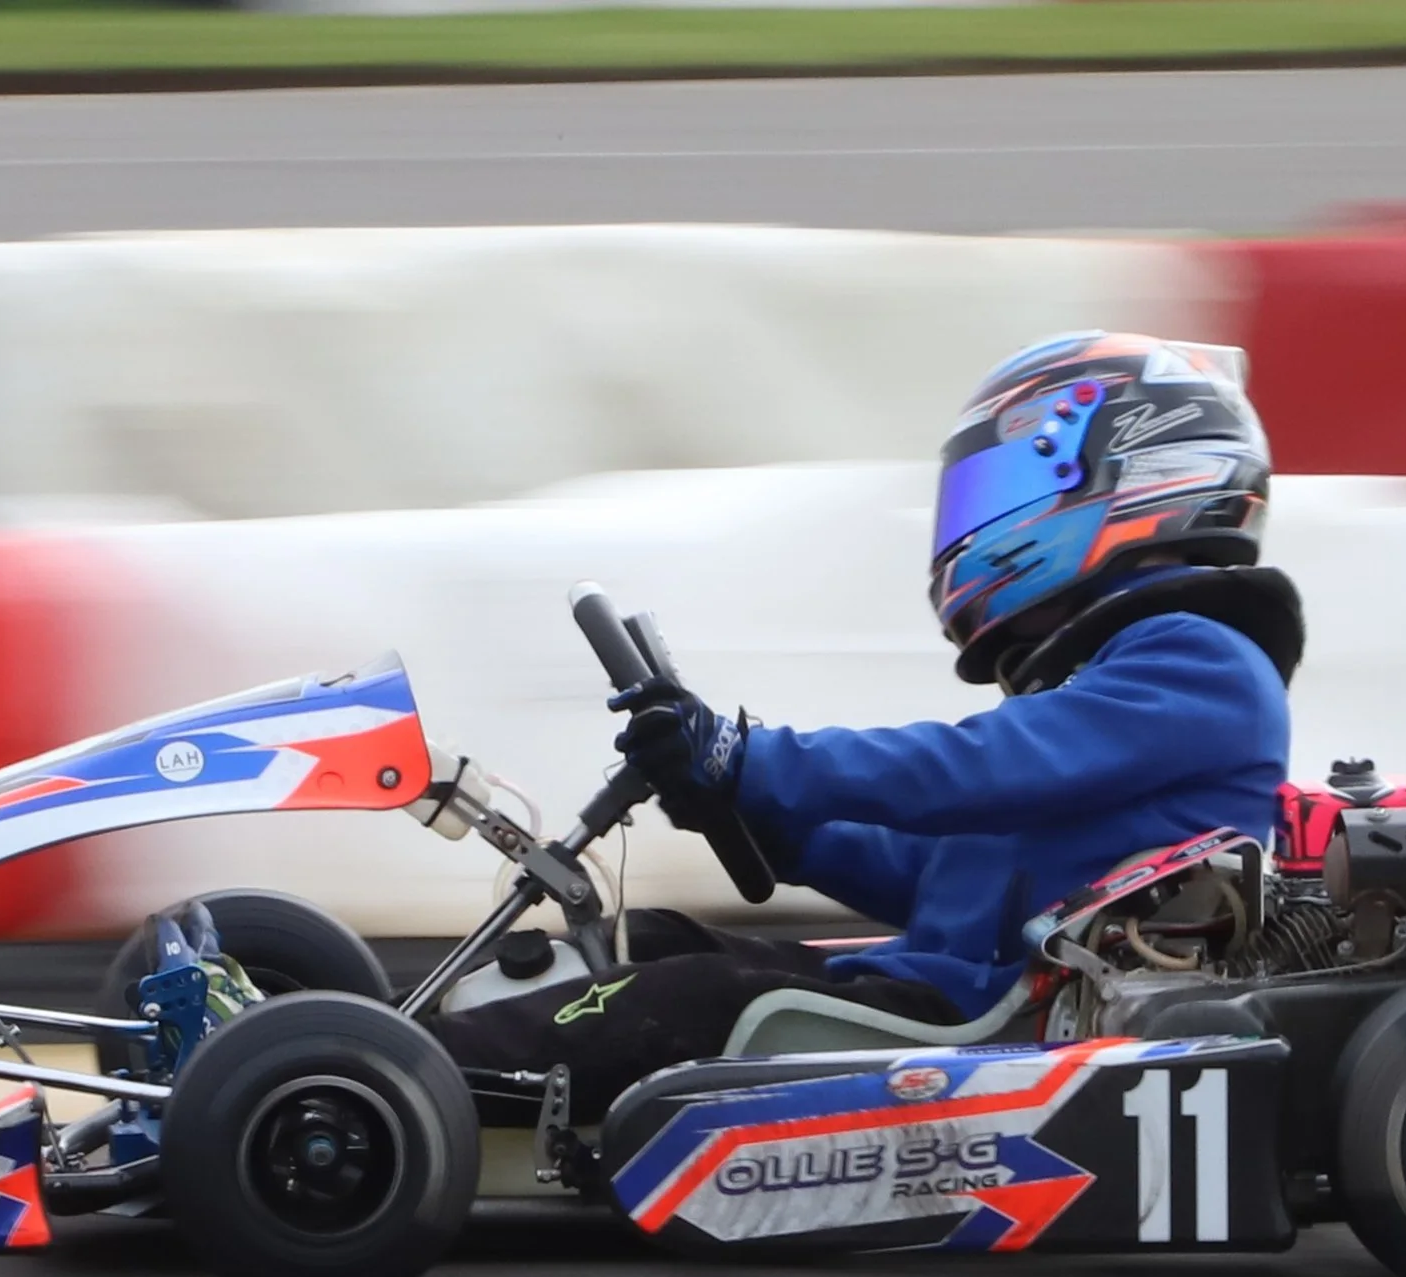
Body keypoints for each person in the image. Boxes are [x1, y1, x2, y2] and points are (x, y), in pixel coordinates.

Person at [426, 331, 1305, 1119]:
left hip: (998, 1018)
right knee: (651, 938)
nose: (977, 521)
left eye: (1007, 484)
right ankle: (395, 1041)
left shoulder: (1201, 663)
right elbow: (936, 872)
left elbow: (973, 769)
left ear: (1134, 478)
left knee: (700, 995)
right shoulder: (1106, 681)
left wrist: (750, 759)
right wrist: (769, 819)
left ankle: (390, 1080)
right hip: (946, 982)